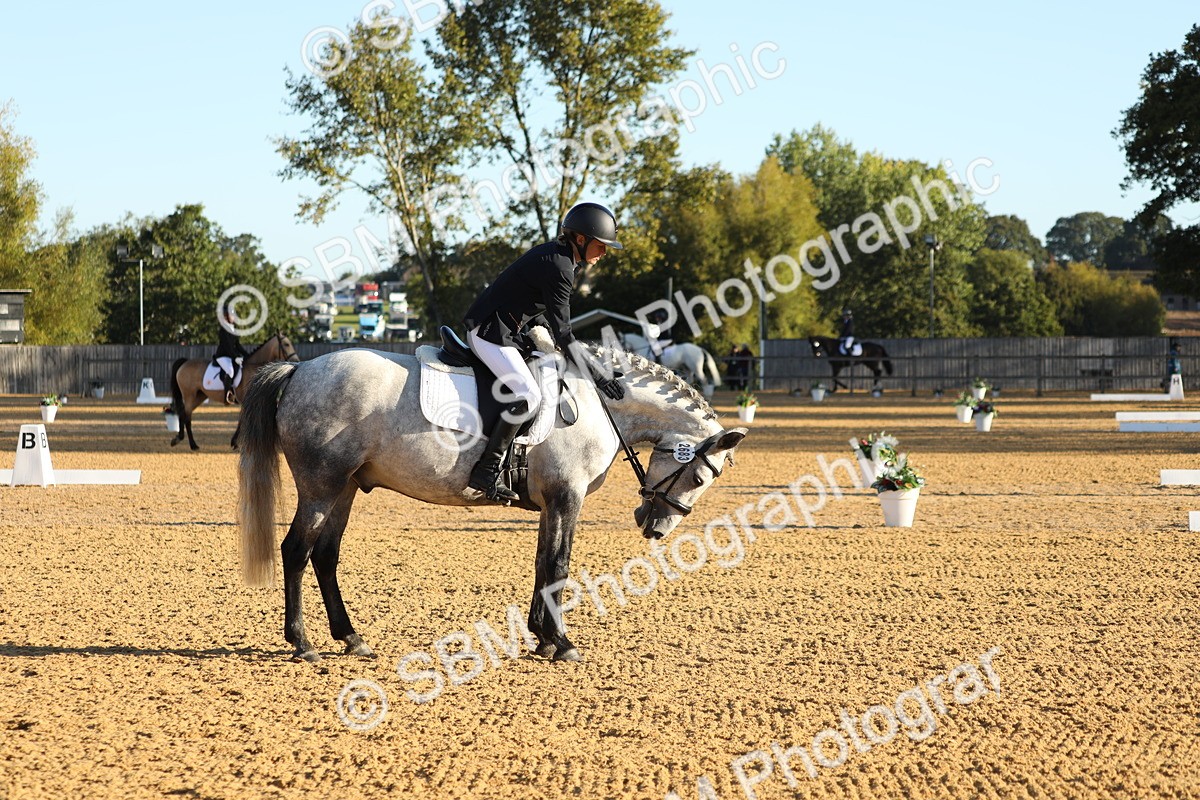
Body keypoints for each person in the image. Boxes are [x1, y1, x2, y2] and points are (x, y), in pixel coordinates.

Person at [462, 202, 625, 504]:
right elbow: (563, 332)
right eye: (601, 246)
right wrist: (598, 377)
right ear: (581, 239)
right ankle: (486, 472)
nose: (604, 253)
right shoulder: (560, 266)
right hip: (489, 332)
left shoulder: (559, 258)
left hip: (507, 330)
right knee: (528, 396)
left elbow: (539, 314)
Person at [213, 311, 249, 404]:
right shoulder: (223, 330)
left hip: (231, 356)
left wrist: (247, 355)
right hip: (222, 356)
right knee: (230, 371)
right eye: (232, 316)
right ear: (226, 317)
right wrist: (235, 357)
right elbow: (227, 346)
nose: (234, 317)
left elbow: (237, 345)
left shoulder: (233, 329)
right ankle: (227, 396)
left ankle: (236, 393)